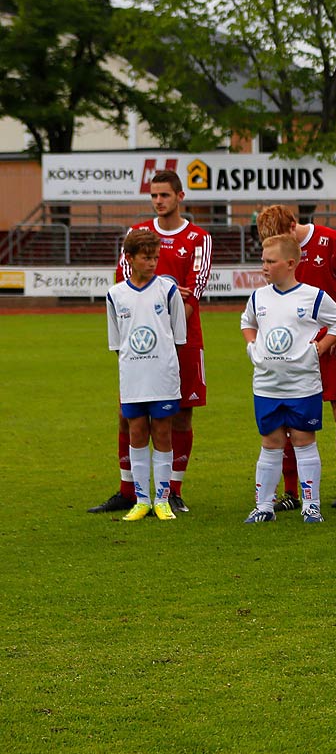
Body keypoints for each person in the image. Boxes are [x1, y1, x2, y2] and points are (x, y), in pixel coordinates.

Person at [89, 169, 211, 515]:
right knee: (127, 414)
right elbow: (122, 282)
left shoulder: (199, 237)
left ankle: (171, 490)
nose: (159, 201)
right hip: (140, 342)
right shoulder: (136, 234)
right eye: (154, 196)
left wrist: (165, 331)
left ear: (179, 196)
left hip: (182, 340)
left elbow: (193, 293)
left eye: (165, 195)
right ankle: (129, 490)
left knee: (181, 416)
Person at [257, 205, 336, 512]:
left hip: (335, 345)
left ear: (293, 225)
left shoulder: (330, 240)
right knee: (288, 417)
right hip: (292, 350)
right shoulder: (277, 255)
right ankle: (292, 492)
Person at [241, 233, 336, 523]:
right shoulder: (258, 297)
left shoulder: (312, 296)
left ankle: (311, 505)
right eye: (263, 261)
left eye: (270, 261)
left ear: (290, 263)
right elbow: (247, 322)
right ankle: (264, 506)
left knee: (303, 440)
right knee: (271, 442)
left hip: (303, 385)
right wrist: (252, 347)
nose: (264, 267)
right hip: (267, 385)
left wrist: (319, 349)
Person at [106, 228, 185, 521]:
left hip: (162, 375)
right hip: (133, 377)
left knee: (163, 432)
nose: (152, 263)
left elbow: (178, 336)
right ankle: (141, 499)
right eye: (145, 258)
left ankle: (162, 500)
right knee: (137, 431)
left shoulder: (168, 290)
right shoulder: (115, 295)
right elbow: (117, 344)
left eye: (155, 258)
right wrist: (134, 366)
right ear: (129, 258)